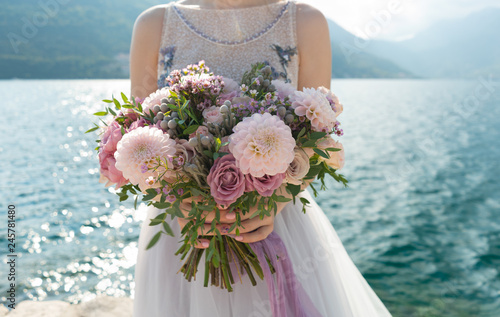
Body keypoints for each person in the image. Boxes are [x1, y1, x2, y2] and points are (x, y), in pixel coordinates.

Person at [130, 0, 393, 316]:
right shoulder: (155, 23)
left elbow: (317, 135)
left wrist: (274, 201)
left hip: (276, 222)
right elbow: (136, 139)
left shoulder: (305, 21)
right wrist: (173, 199)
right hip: (182, 229)